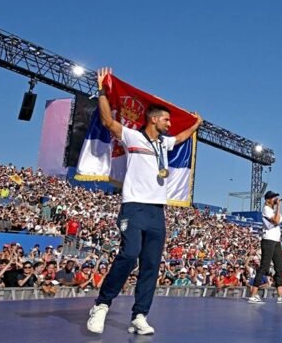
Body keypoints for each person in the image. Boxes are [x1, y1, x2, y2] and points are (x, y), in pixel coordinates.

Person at [87, 67, 202, 335]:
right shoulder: (133, 136)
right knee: (129, 254)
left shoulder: (165, 144)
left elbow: (182, 137)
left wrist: (195, 125)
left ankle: (139, 315)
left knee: (151, 264)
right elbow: (107, 121)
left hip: (156, 212)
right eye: (166, 120)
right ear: (153, 120)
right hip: (134, 207)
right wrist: (104, 91)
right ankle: (102, 305)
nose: (169, 125)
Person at [247, 190, 282, 304]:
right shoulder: (266, 209)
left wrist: (277, 208)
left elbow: (279, 221)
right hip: (268, 240)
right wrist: (279, 207)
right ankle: (253, 294)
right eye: (273, 198)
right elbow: (276, 220)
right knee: (264, 267)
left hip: (276, 241)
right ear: (268, 199)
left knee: (279, 268)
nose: (276, 200)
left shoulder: (272, 210)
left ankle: (280, 295)